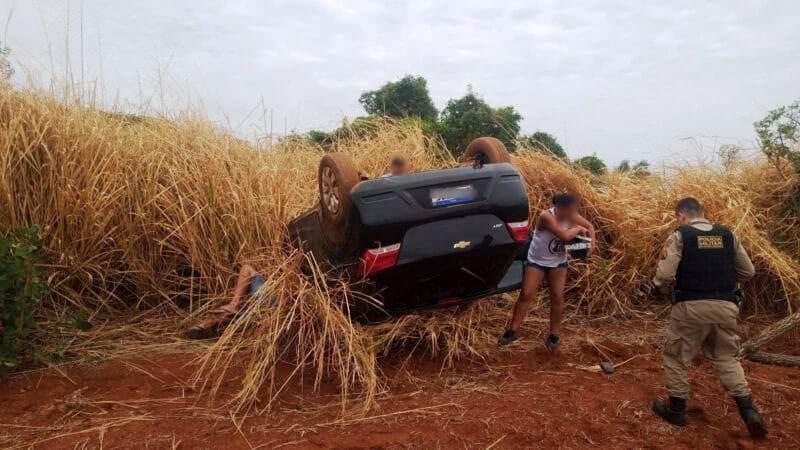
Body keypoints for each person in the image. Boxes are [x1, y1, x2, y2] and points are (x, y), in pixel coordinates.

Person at [650, 197, 767, 438]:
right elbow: (748, 272)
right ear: (702, 213)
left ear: (681, 215)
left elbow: (664, 275)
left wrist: (662, 289)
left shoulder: (680, 235)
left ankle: (677, 410)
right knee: (726, 358)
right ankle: (748, 411)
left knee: (677, 357)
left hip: (689, 307)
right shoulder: (728, 235)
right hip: (726, 307)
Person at [498, 193, 596, 351]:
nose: (573, 214)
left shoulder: (571, 215)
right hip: (537, 261)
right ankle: (512, 331)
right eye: (570, 211)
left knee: (557, 297)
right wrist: (578, 228)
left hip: (558, 262)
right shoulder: (546, 216)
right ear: (559, 208)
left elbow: (590, 227)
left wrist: (591, 246)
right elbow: (564, 235)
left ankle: (554, 335)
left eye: (574, 211)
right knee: (526, 294)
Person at [185, 264, 266, 339]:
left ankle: (234, 304)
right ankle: (233, 305)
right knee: (246, 269)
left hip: (263, 306)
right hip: (263, 307)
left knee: (246, 269)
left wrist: (239, 298)